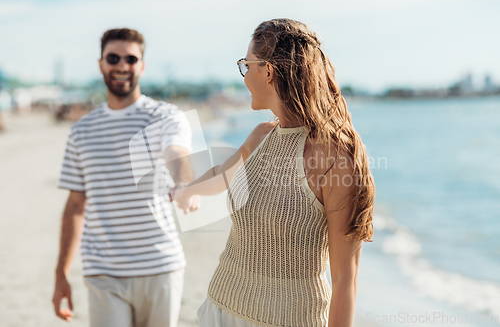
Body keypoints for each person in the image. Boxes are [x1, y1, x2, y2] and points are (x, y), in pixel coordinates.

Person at [171, 18, 375, 327]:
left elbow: (345, 279)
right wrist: (188, 190)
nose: (243, 77)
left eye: (246, 65)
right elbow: (221, 175)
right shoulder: (261, 136)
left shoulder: (336, 159)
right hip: (220, 310)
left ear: (268, 72)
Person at [52, 28, 199, 327]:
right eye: (113, 58)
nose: (121, 65)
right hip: (103, 270)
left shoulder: (166, 116)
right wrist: (61, 274)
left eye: (131, 59)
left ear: (142, 65)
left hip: (161, 266)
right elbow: (75, 205)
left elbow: (177, 152)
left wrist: (185, 184)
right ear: (101, 64)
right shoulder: (81, 131)